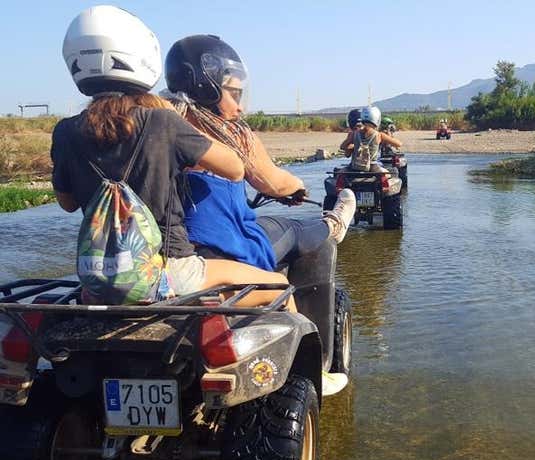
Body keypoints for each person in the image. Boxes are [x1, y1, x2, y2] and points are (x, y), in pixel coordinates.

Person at [52, 6, 294, 310]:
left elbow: (68, 203)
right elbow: (234, 169)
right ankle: (316, 358)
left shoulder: (65, 132)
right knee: (280, 286)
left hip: (97, 282)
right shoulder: (161, 122)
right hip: (170, 271)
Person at [163, 35, 356, 270]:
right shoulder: (231, 135)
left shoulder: (156, 124)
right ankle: (334, 225)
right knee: (292, 229)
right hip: (224, 250)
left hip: (165, 256)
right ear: (207, 88)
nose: (240, 106)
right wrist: (296, 186)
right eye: (233, 94)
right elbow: (273, 183)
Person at [345, 106, 403, 173]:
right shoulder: (379, 134)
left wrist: (353, 147)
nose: (358, 128)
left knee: (339, 174)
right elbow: (399, 144)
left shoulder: (353, 134)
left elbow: (346, 153)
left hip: (355, 166)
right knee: (393, 172)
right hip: (373, 166)